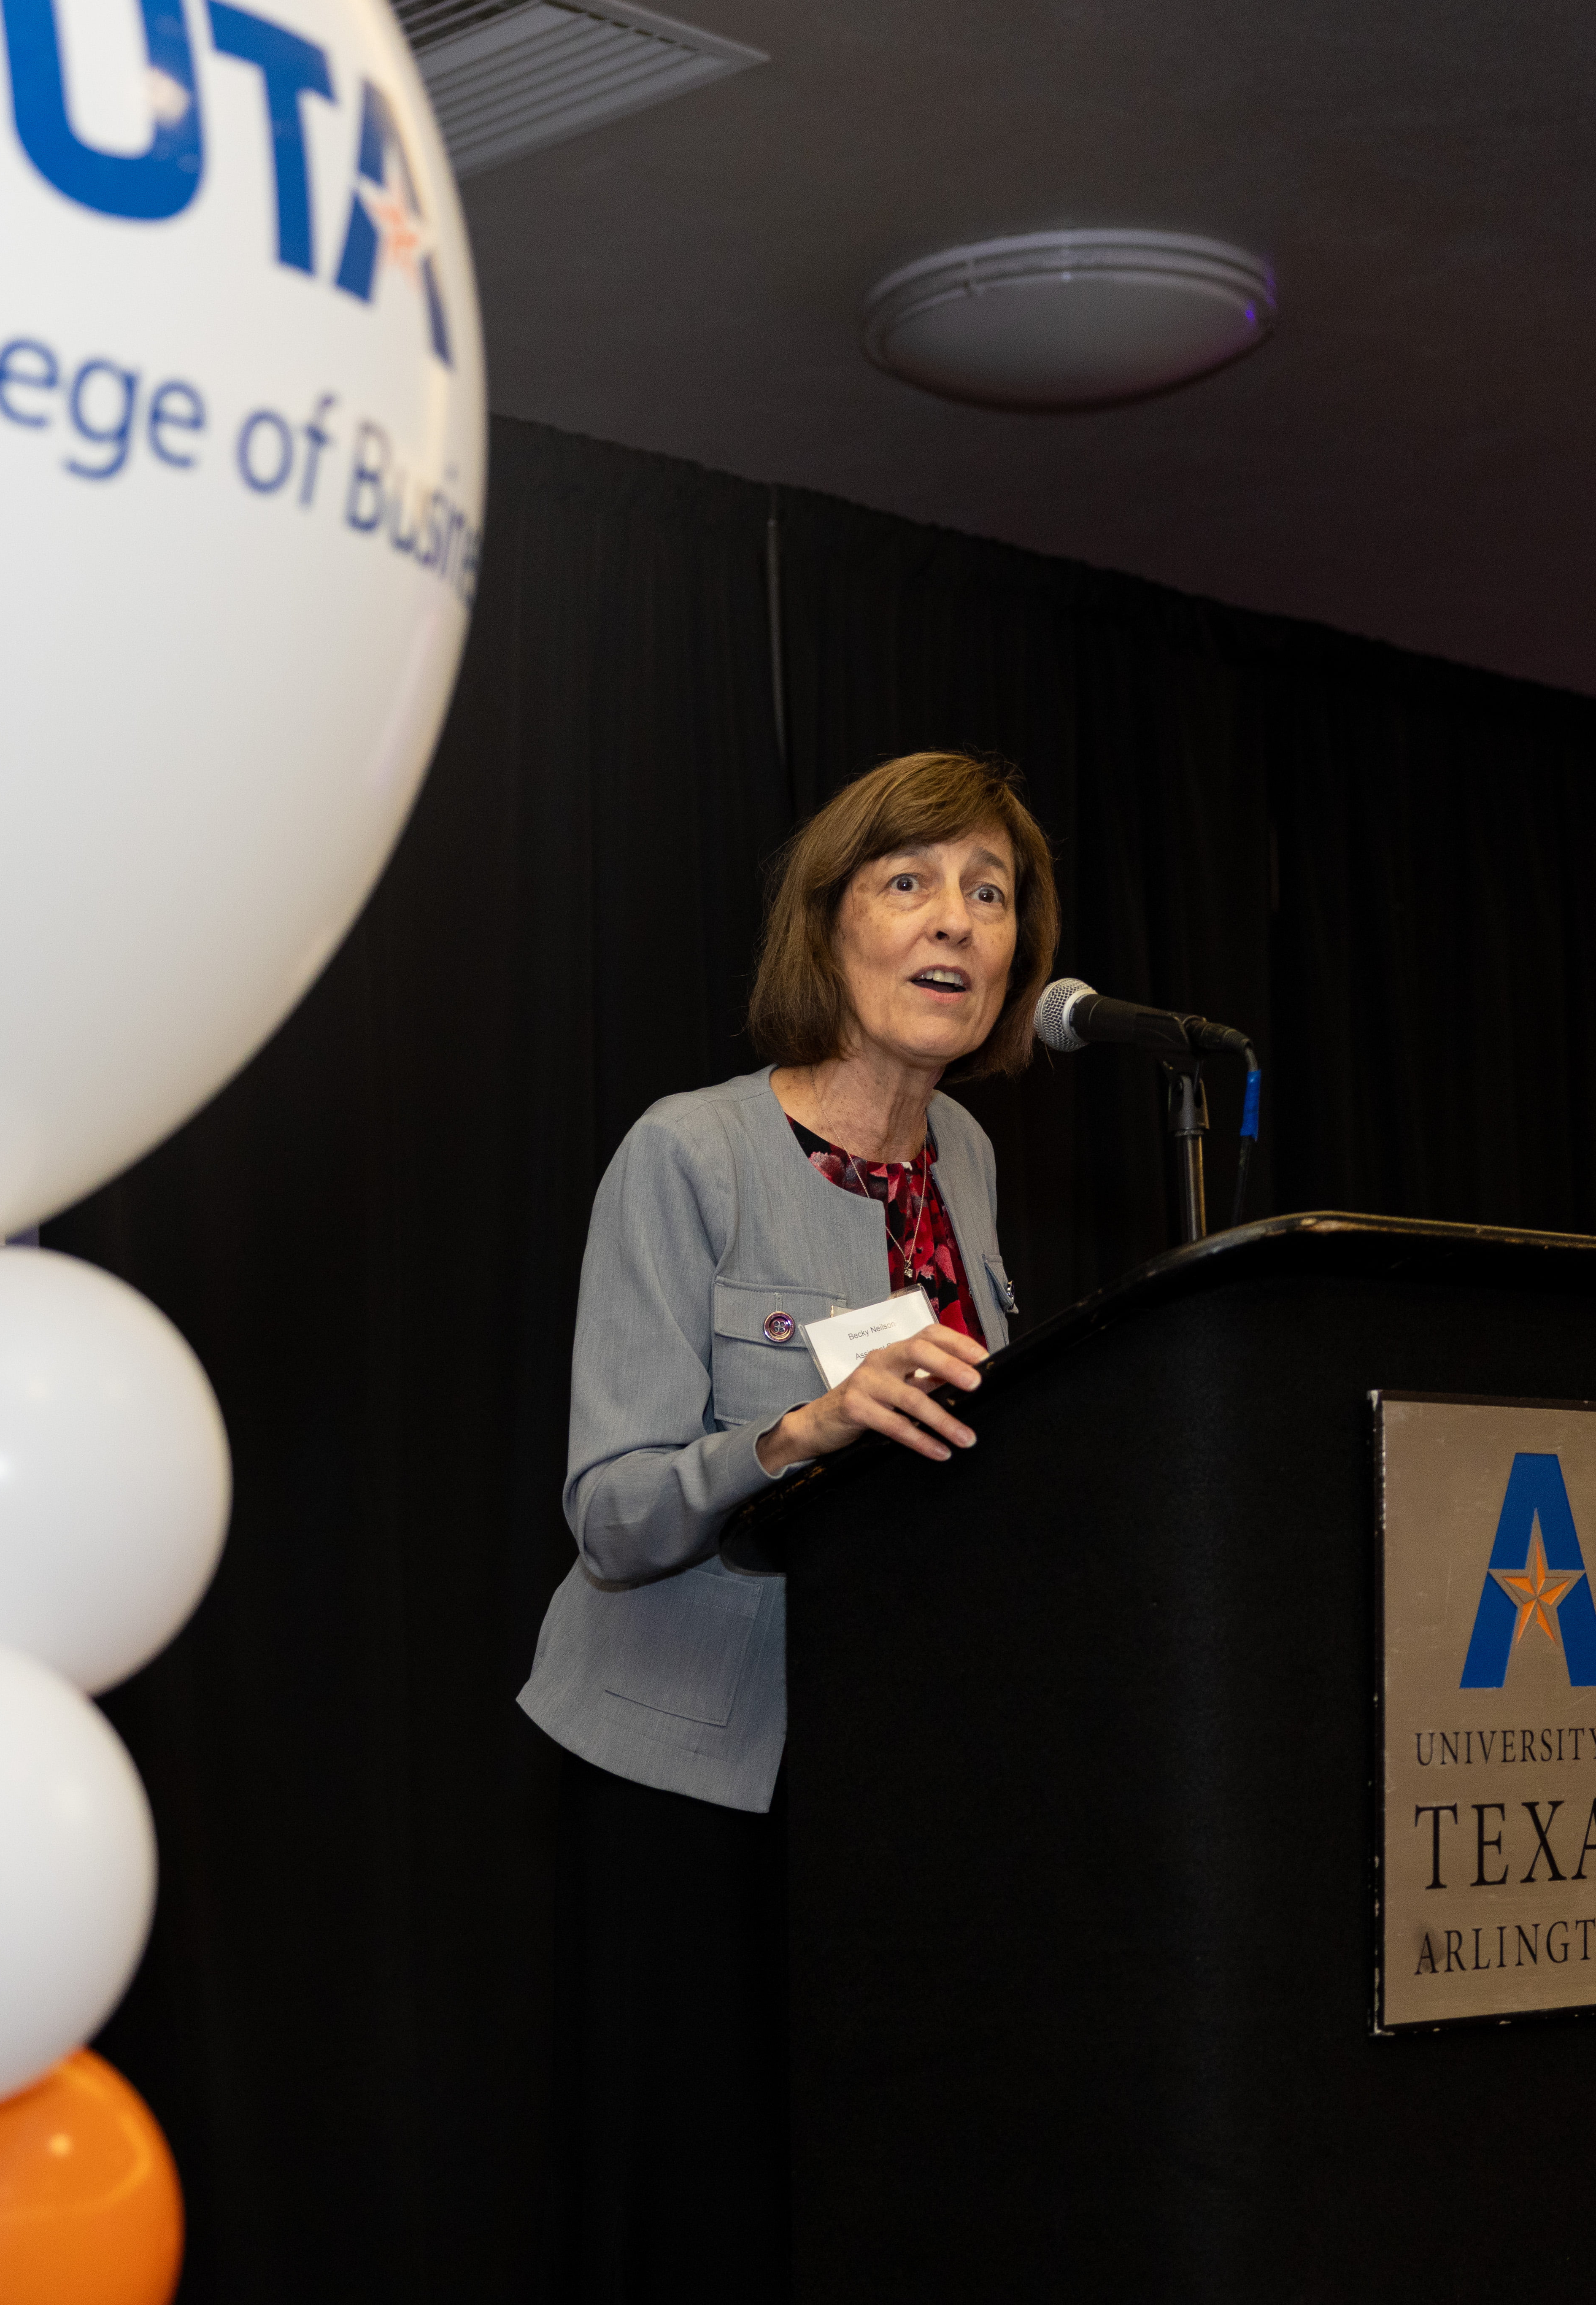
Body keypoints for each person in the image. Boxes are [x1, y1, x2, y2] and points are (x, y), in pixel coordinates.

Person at [520, 750, 1058, 2302]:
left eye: (991, 891)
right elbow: (614, 1513)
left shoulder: (966, 1159)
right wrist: (797, 1431)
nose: (956, 920)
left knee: (861, 2183)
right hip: (678, 1769)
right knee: (693, 2205)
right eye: (910, 882)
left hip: (885, 1765)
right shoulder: (689, 1153)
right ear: (828, 929)